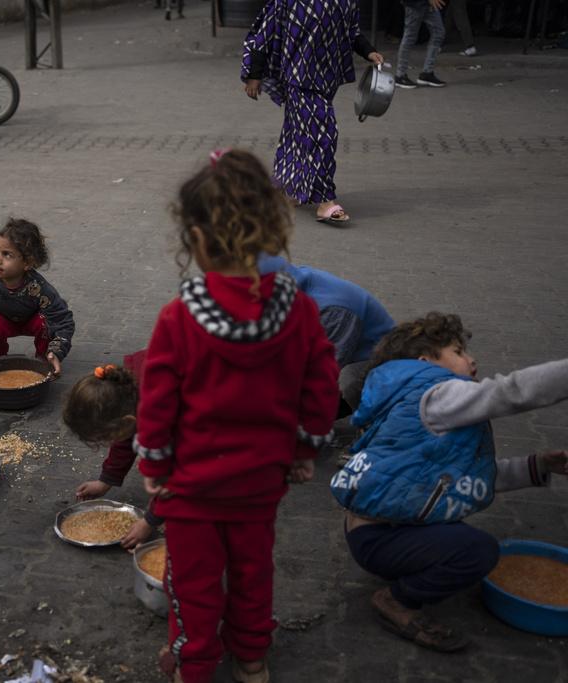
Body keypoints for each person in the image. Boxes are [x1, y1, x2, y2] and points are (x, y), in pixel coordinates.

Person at [134, 150, 339, 683]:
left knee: (195, 585)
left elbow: (157, 401)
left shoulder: (179, 318)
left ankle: (195, 665)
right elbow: (321, 387)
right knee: (253, 573)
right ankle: (251, 658)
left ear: (197, 240)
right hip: (261, 483)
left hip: (191, 490)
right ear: (272, 229)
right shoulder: (300, 310)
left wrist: (153, 465)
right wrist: (304, 450)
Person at [330, 313, 568, 650]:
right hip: (383, 537)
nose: (472, 359)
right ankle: (396, 600)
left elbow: (464, 478)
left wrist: (538, 465)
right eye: (458, 351)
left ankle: (411, 565)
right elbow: (510, 391)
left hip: (378, 532)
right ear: (425, 361)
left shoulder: (411, 399)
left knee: (464, 541)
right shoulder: (439, 396)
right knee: (477, 550)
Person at [241, 0, 384, 224]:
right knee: (324, 134)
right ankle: (325, 200)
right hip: (299, 78)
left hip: (327, 78)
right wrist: (254, 74)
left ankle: (287, 189)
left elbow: (351, 31)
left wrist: (369, 51)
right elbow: (264, 33)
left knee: (295, 133)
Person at [258, 254, 395, 416]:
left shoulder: (333, 309)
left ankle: (371, 420)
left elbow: (326, 370)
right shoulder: (292, 281)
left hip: (378, 365)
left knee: (347, 380)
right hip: (334, 349)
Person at [62, 354, 160, 550]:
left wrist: (150, 520)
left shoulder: (160, 421)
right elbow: (125, 437)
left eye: (107, 438)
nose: (110, 443)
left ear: (129, 421)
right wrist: (106, 480)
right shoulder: (121, 390)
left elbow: (178, 476)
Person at [0, 218, 74, 377]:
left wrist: (57, 351)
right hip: (3, 322)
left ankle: (44, 361)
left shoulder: (39, 287)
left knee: (45, 322)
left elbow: (62, 320)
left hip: (32, 321)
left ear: (27, 263)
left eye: (7, 255)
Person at [394, 0, 447, 88]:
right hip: (415, 4)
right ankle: (400, 75)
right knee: (410, 36)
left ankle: (427, 73)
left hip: (428, 4)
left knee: (439, 33)